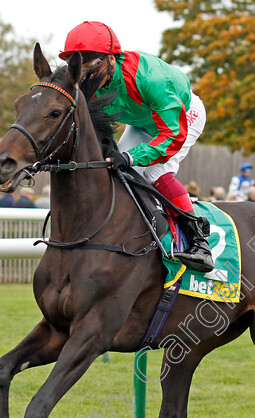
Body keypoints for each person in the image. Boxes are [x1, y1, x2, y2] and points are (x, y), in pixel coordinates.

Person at [60, 21, 212, 272]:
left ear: (111, 59)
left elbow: (172, 135)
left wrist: (131, 157)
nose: (85, 73)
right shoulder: (90, 87)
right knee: (117, 173)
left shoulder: (150, 78)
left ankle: (199, 240)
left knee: (155, 172)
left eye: (91, 63)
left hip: (182, 116)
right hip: (142, 121)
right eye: (79, 63)